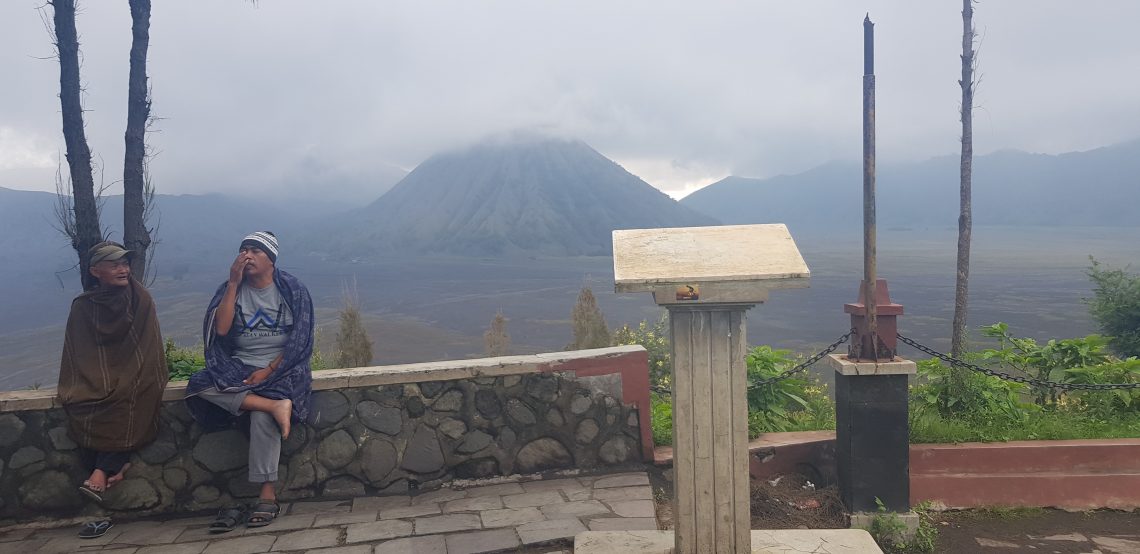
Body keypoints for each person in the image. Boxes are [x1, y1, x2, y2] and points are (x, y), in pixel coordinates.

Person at [185, 231, 314, 532]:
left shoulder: (292, 289)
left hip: (284, 367)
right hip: (241, 365)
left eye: (256, 250)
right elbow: (222, 330)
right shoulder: (232, 289)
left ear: (271, 259)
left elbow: (300, 341)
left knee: (259, 416)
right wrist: (232, 284)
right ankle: (273, 404)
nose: (248, 256)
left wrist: (269, 370)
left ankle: (267, 494)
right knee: (199, 384)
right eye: (244, 250)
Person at [58, 241, 168, 538]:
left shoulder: (139, 298)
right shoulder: (84, 306)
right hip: (98, 373)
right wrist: (95, 378)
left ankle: (100, 471)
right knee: (83, 399)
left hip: (139, 369)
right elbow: (80, 351)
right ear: (96, 271)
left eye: (125, 263)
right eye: (114, 264)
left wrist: (127, 374)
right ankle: (115, 466)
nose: (123, 269)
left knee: (126, 396)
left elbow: (146, 342)